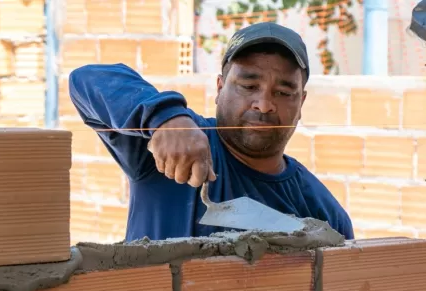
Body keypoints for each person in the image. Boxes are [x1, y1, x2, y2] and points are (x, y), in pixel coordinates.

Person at [68, 22, 354, 242]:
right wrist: (164, 118)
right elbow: (86, 79)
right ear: (220, 88)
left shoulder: (323, 214)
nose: (264, 104)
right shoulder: (174, 148)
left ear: (301, 102)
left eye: (283, 92)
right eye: (249, 86)